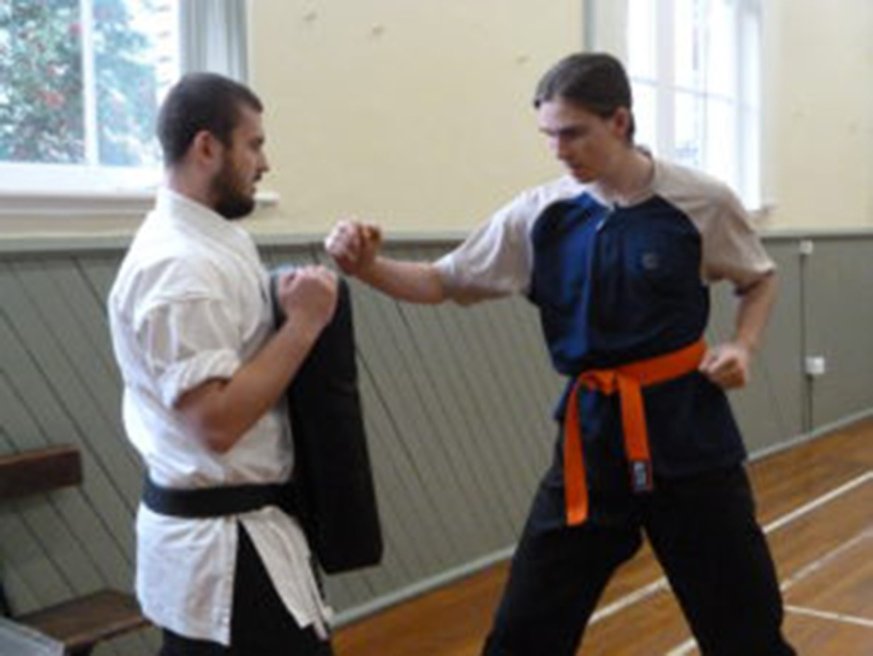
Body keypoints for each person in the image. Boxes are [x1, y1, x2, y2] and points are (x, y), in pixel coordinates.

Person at [325, 52, 795, 655]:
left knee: (746, 630)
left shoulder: (699, 201)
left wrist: (743, 345)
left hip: (689, 437)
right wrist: (366, 267)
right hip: (591, 444)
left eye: (573, 133)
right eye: (549, 135)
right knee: (524, 633)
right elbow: (443, 281)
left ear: (620, 121)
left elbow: (758, 278)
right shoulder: (539, 214)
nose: (559, 149)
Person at [109, 72, 337, 655]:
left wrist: (283, 295)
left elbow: (236, 344)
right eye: (254, 145)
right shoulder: (177, 268)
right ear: (207, 147)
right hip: (220, 553)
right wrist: (306, 323)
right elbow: (214, 423)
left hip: (246, 533)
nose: (265, 164)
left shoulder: (217, 242)